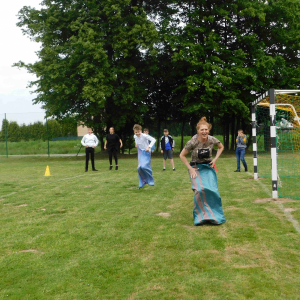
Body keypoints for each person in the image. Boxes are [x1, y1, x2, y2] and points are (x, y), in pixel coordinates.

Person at [179, 117, 226, 226]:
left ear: (208, 130)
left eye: (206, 129)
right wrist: (190, 168)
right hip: (196, 168)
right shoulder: (192, 142)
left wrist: (214, 160)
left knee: (213, 190)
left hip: (208, 167)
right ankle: (201, 217)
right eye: (202, 130)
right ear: (198, 131)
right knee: (199, 190)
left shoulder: (211, 139)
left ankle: (214, 215)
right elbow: (181, 155)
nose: (204, 132)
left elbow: (220, 147)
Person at [133, 124, 156, 189]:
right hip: (140, 151)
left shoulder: (145, 136)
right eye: (136, 132)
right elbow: (136, 140)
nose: (137, 133)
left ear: (141, 131)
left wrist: (149, 147)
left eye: (138, 132)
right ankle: (143, 182)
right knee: (139, 168)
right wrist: (136, 144)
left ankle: (150, 180)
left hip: (146, 152)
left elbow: (154, 140)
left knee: (144, 166)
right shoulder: (134, 136)